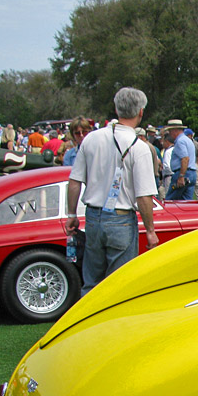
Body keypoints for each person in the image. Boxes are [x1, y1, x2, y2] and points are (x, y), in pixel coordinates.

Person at [65, 87, 158, 296]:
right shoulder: (139, 147)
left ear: (117, 110)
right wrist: (150, 231)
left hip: (93, 216)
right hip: (121, 219)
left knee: (92, 281)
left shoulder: (91, 139)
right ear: (140, 112)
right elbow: (144, 196)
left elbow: (74, 181)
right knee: (120, 283)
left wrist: (72, 214)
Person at [163, 120, 198, 200]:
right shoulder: (188, 140)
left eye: (170, 131)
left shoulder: (180, 141)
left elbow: (185, 158)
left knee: (170, 200)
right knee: (186, 202)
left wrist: (181, 176)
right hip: (192, 173)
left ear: (175, 131)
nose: (170, 134)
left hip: (183, 173)